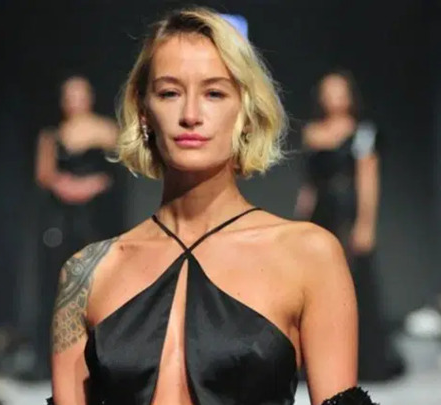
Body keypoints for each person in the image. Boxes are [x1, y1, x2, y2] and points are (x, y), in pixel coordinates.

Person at [49, 7, 375, 405]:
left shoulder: (308, 255)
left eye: (214, 93)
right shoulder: (87, 274)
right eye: (169, 93)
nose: (190, 115)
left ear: (246, 111)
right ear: (144, 111)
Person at [295, 70, 403, 382]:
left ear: (350, 96)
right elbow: (309, 184)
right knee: (316, 286)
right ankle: (315, 361)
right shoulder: (312, 132)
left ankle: (360, 362)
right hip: (321, 213)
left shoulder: (363, 132)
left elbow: (368, 180)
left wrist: (366, 224)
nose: (334, 98)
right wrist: (299, 222)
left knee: (352, 285)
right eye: (328, 92)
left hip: (347, 212)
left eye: (340, 91)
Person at [34, 75, 119, 377]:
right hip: (62, 219)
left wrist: (91, 186)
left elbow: (120, 172)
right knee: (61, 285)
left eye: (79, 94)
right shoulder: (52, 135)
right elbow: (44, 175)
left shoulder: (107, 130)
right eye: (68, 95)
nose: (74, 101)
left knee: (99, 283)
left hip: (97, 217)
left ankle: (101, 357)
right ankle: (59, 359)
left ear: (90, 96)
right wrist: (66, 186)